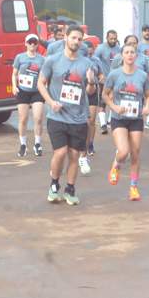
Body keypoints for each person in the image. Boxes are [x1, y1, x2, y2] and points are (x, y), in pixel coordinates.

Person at [38, 24, 97, 206]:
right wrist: (51, 102)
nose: (76, 42)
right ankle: (54, 184)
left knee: (74, 155)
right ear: (65, 37)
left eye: (79, 39)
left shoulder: (87, 64)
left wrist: (91, 82)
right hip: (57, 116)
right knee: (60, 152)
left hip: (78, 117)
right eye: (73, 38)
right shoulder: (52, 60)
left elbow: (90, 91)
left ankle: (70, 189)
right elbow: (41, 83)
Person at [103, 43, 149, 200]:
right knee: (124, 151)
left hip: (136, 118)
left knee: (135, 153)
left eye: (132, 52)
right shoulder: (114, 74)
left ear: (136, 55)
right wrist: (114, 107)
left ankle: (133, 187)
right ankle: (116, 165)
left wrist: (147, 106)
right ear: (122, 55)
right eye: (127, 52)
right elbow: (105, 94)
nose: (130, 55)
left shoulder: (142, 75)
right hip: (119, 118)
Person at [12, 33, 46, 157]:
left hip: (37, 91)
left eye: (35, 42)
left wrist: (45, 87)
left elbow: (44, 75)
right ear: (26, 43)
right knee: (23, 119)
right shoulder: (20, 57)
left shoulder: (42, 59)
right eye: (30, 42)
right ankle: (23, 144)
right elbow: (14, 73)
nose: (32, 44)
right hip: (23, 90)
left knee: (38, 118)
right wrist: (14, 86)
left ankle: (37, 143)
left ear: (37, 44)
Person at [95, 30, 121, 133]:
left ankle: (110, 121)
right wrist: (99, 74)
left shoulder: (119, 49)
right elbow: (95, 61)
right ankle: (103, 124)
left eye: (115, 38)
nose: (113, 40)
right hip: (104, 79)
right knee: (103, 101)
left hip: (116, 79)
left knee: (113, 99)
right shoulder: (100, 48)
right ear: (107, 38)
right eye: (111, 39)